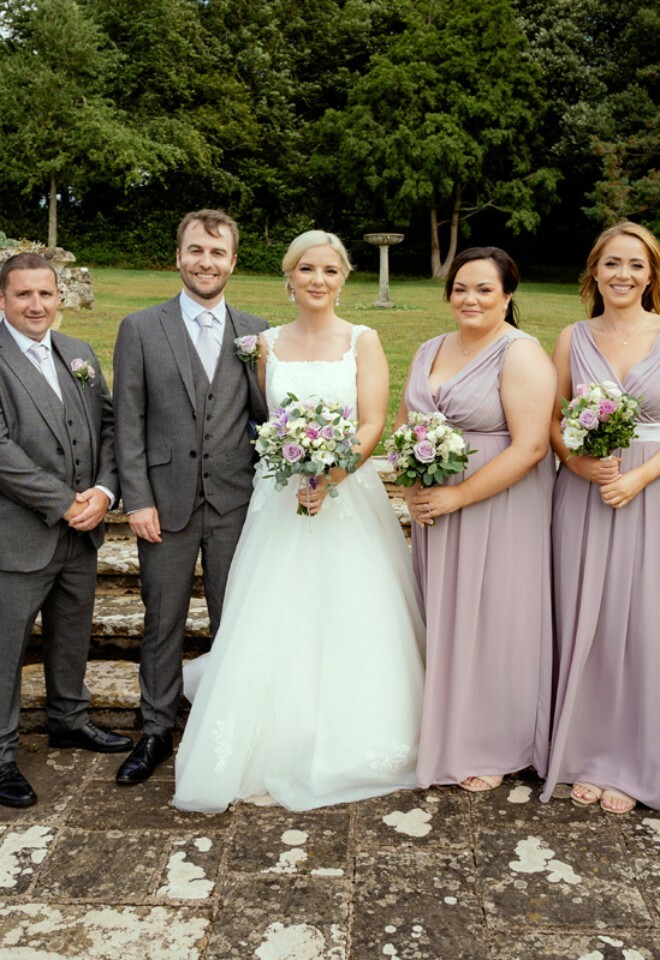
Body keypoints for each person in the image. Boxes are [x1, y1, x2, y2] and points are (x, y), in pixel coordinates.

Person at [173, 230, 425, 812]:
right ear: (289, 277)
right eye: (307, 269)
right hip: (280, 499)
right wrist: (297, 473)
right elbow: (263, 418)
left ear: (344, 278)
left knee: (353, 612)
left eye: (330, 271)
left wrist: (329, 478)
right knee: (274, 611)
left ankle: (352, 733)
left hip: (346, 499)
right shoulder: (261, 345)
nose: (318, 280)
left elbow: (371, 424)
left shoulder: (364, 339)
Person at [112, 209, 268, 785]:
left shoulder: (255, 332)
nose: (207, 262)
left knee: (237, 620)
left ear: (233, 261)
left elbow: (265, 418)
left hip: (237, 504)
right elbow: (128, 422)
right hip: (165, 505)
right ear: (179, 257)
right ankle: (155, 729)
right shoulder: (140, 328)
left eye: (218, 252)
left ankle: (229, 730)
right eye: (196, 251)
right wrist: (138, 499)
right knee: (163, 622)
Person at [397, 246, 556, 793]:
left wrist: (458, 495)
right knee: (444, 616)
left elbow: (533, 445)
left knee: (495, 619)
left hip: (499, 506)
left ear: (508, 296)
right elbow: (403, 431)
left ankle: (496, 740)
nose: (471, 298)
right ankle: (448, 729)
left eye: (485, 289)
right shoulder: (427, 349)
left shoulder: (521, 353)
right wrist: (413, 485)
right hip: (435, 510)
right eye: (462, 287)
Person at [0, 253, 130, 808]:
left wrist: (103, 492)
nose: (36, 305)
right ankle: (1, 754)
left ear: (60, 297)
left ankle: (68, 718)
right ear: (2, 299)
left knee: (72, 630)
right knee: (5, 649)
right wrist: (62, 501)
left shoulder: (76, 352)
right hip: (19, 533)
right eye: (24, 295)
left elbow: (107, 425)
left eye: (46, 295)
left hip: (83, 528)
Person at [541, 222, 660, 814]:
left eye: (635, 265)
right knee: (582, 618)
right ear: (594, 272)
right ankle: (582, 752)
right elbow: (553, 418)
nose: (623, 275)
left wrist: (639, 476)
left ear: (651, 275)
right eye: (612, 263)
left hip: (651, 495)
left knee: (639, 624)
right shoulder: (571, 337)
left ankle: (633, 760)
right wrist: (575, 461)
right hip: (583, 497)